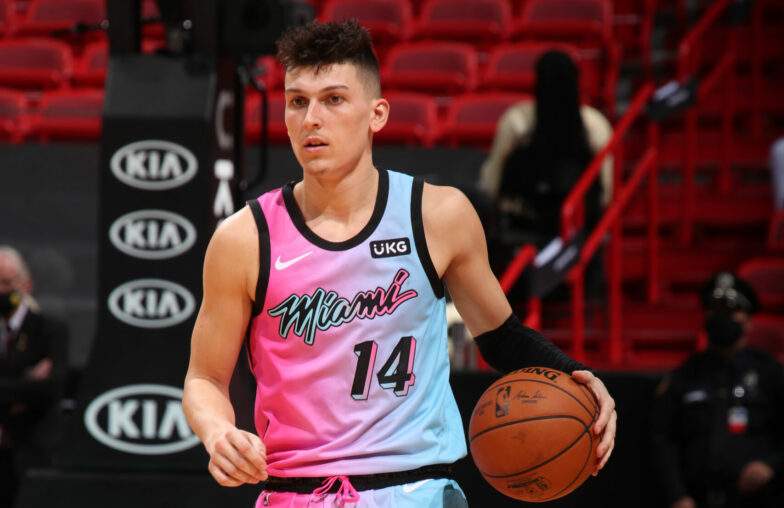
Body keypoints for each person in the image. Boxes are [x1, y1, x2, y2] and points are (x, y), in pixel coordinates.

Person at [183, 20, 616, 508]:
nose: (311, 119)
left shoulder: (438, 215)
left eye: (333, 99)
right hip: (294, 493)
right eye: (297, 101)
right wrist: (218, 431)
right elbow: (204, 379)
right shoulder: (244, 238)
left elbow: (502, 338)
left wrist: (581, 377)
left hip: (418, 490)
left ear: (378, 114)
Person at [651, 272, 784, 508]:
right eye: (716, 311)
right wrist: (676, 495)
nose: (723, 318)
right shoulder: (685, 375)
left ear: (748, 319)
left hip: (758, 500)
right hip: (696, 499)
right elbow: (663, 439)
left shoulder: (770, 372)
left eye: (731, 312)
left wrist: (771, 464)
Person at [478, 50, 613, 273]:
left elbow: (493, 183)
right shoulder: (597, 125)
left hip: (529, 236)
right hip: (572, 238)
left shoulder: (517, 122)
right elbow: (606, 192)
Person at [0, 246, 68, 508]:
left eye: (7, 283)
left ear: (25, 284)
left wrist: (29, 389)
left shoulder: (50, 330)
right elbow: (32, 389)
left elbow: (49, 389)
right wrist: (25, 383)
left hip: (33, 452)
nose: (1, 291)